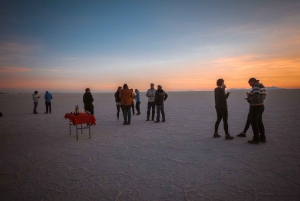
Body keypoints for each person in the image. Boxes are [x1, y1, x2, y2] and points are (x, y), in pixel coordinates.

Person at [246, 78, 266, 144]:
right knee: (259, 122)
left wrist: (249, 98)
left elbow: (256, 97)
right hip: (261, 105)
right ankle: (262, 138)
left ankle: (256, 139)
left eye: (249, 83)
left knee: (254, 122)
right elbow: (262, 96)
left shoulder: (256, 87)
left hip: (255, 106)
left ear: (252, 81)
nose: (249, 84)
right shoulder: (262, 86)